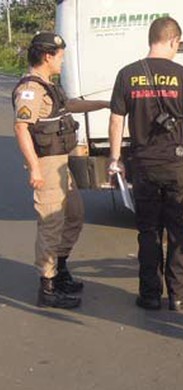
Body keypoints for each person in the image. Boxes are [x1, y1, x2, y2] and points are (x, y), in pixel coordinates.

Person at [108, 17, 183, 312]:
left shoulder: (127, 75)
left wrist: (115, 159)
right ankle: (179, 295)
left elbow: (116, 121)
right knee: (179, 230)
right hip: (178, 166)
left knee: (148, 231)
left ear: (151, 39)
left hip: (143, 166)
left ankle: (150, 295)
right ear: (174, 40)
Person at [12, 32, 110, 309]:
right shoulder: (31, 89)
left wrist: (103, 104)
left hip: (62, 165)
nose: (62, 62)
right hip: (46, 163)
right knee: (51, 225)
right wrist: (34, 169)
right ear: (47, 56)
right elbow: (21, 128)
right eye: (60, 57)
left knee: (75, 216)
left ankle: (61, 268)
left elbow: (72, 105)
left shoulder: (49, 86)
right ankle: (48, 287)